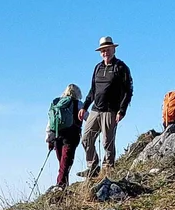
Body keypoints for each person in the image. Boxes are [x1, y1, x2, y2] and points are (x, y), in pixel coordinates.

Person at [81, 35, 134, 176]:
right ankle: (93, 167)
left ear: (113, 49)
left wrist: (121, 110)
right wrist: (84, 106)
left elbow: (128, 91)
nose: (105, 52)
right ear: (100, 52)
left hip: (111, 111)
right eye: (103, 50)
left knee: (107, 142)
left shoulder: (121, 67)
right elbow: (92, 90)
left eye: (108, 49)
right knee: (86, 139)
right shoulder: (97, 67)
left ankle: (108, 169)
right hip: (95, 110)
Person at [46, 84, 82, 189]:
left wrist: (49, 139)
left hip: (56, 135)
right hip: (71, 136)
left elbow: (50, 123)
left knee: (62, 162)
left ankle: (63, 185)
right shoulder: (78, 104)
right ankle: (61, 185)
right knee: (66, 162)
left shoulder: (57, 104)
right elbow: (87, 117)